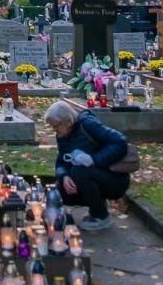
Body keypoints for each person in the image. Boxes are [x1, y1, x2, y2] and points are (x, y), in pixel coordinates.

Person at [45, 99, 130, 232]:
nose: (54, 130)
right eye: (52, 126)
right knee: (57, 192)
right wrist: (64, 176)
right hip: (90, 177)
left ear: (68, 121)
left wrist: (94, 160)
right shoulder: (62, 134)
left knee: (80, 171)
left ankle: (101, 216)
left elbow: (120, 142)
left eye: (56, 125)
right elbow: (61, 161)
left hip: (114, 179)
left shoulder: (88, 124)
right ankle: (98, 204)